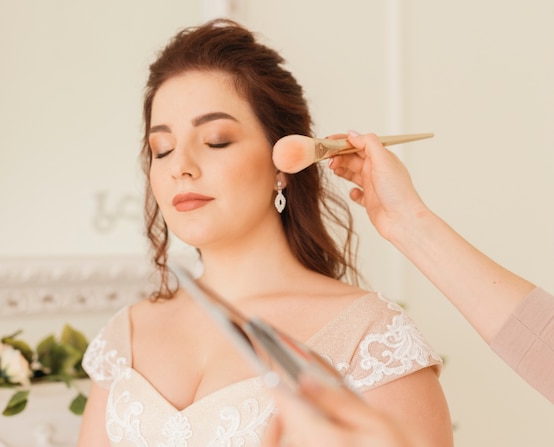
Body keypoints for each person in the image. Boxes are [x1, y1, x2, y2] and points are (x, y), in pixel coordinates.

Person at [76, 20, 453, 446]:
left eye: (216, 141)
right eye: (162, 149)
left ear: (282, 163)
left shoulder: (370, 337)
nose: (180, 165)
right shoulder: (126, 335)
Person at [263, 130, 554, 446]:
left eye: (218, 141)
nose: (197, 167)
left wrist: (409, 223)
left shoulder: (372, 332)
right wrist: (407, 222)